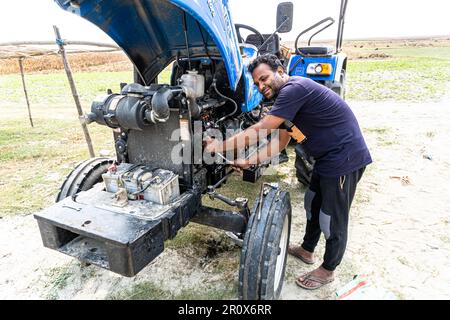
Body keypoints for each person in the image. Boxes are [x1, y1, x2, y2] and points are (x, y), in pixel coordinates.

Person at [205, 53, 372, 290]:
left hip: (345, 158)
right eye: (257, 84)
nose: (261, 86)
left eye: (264, 78)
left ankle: (328, 270)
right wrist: (249, 161)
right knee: (312, 203)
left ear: (281, 71)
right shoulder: (286, 102)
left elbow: (263, 128)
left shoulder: (295, 88)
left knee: (331, 218)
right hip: (325, 159)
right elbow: (280, 143)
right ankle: (307, 250)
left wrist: (218, 146)